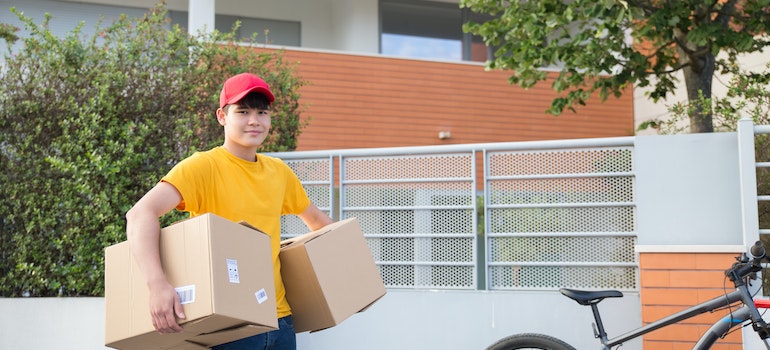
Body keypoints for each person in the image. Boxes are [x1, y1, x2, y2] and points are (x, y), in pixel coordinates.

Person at [125, 72, 333, 350]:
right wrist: (157, 285)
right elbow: (140, 215)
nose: (254, 121)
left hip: (280, 321)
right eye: (243, 111)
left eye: (262, 112)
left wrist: (344, 267)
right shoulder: (203, 167)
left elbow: (320, 224)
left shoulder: (279, 172)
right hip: (228, 323)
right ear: (222, 117)